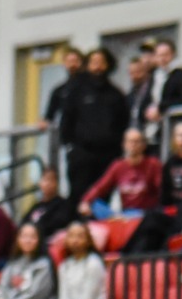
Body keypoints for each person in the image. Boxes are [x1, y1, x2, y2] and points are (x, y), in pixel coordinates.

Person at [61, 48, 130, 204]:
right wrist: (69, 147)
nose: (98, 67)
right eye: (94, 63)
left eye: (101, 63)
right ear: (87, 65)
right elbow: (67, 119)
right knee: (79, 197)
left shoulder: (116, 94)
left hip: (108, 156)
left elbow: (123, 122)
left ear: (108, 65)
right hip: (82, 154)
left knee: (103, 198)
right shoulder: (76, 91)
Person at [78, 128, 163, 220]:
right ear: (124, 144)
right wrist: (86, 201)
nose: (133, 145)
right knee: (95, 205)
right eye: (130, 141)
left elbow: (162, 188)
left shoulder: (153, 164)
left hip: (146, 213)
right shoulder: (118, 165)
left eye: (137, 142)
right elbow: (100, 187)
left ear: (144, 145)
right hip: (124, 213)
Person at [54, 223, 108, 299]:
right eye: (71, 236)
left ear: (88, 241)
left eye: (80, 236)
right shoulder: (64, 266)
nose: (75, 240)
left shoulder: (94, 263)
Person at [19, 166, 77, 243]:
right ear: (40, 183)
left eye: (51, 180)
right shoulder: (36, 206)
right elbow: (22, 224)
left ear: (57, 183)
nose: (48, 184)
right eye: (45, 179)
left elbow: (57, 225)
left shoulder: (63, 205)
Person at [149, 38, 182, 126]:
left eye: (165, 55)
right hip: (158, 125)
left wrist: (161, 107)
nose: (162, 59)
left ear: (173, 54)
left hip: (176, 125)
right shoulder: (155, 76)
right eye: (159, 55)